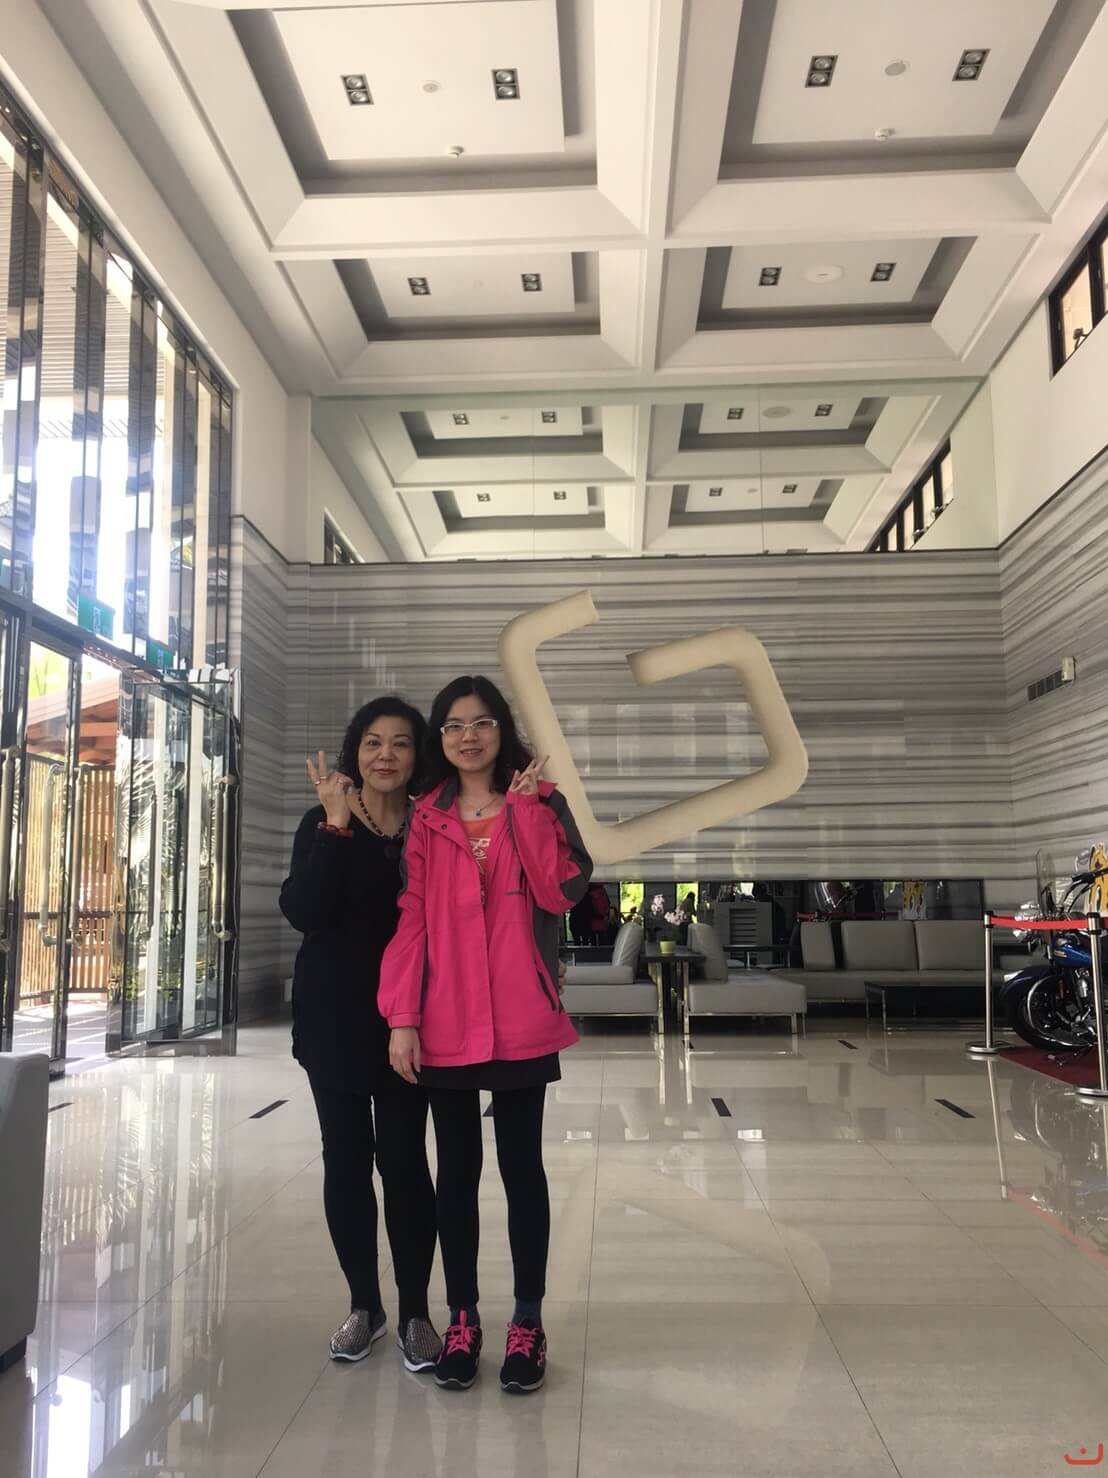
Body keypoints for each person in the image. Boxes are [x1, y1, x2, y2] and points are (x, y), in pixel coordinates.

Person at [379, 675, 592, 1395]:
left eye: (481, 723)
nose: (467, 737)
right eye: (453, 725)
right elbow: (412, 918)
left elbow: (559, 891)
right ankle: (463, 1318)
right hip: (445, 1017)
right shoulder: (427, 816)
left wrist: (526, 812)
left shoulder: (541, 801)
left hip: (522, 1017)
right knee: (457, 1174)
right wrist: (402, 1017)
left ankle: (527, 1322)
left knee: (522, 1168)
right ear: (439, 738)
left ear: (503, 729)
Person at [279, 697, 440, 1372]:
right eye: (373, 742)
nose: (385, 755)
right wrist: (336, 827)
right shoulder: (325, 819)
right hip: (334, 1017)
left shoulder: (432, 825)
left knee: (404, 1164)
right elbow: (303, 910)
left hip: (408, 1021)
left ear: (417, 755)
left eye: (400, 743)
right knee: (345, 1161)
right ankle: (364, 1307)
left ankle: (415, 1313)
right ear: (356, 751)